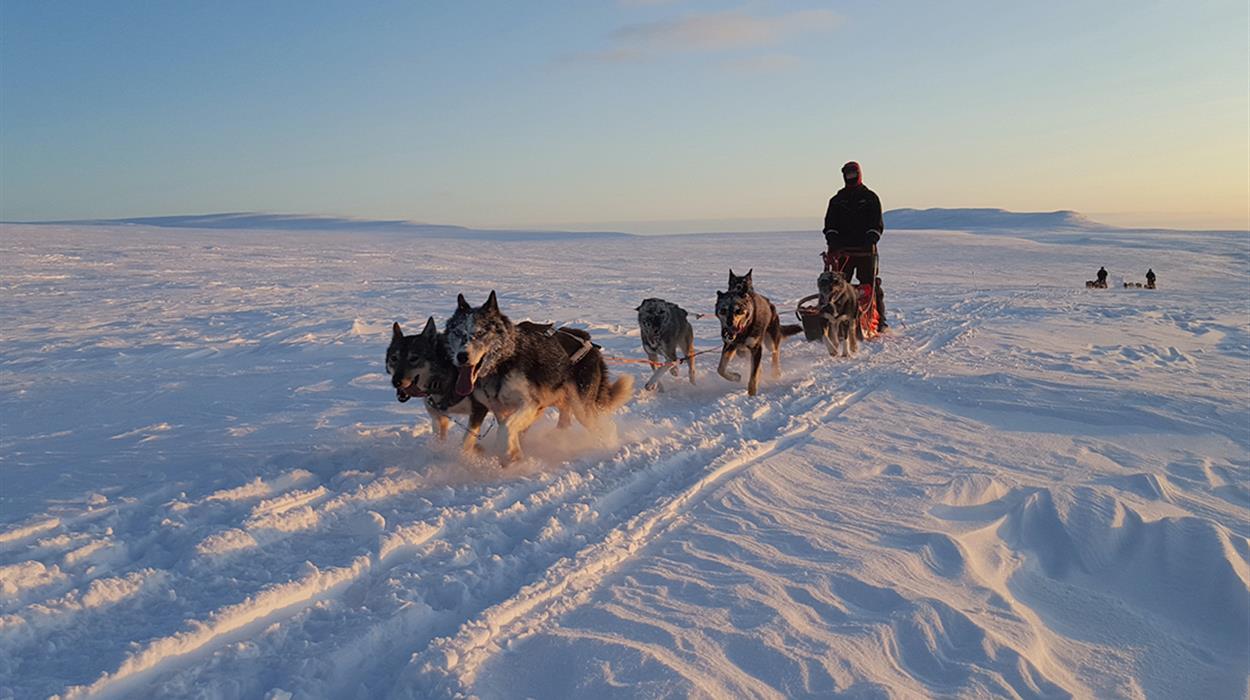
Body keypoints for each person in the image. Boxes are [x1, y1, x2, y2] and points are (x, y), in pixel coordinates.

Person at [823, 161, 887, 329]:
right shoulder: (837, 200)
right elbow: (830, 224)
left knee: (871, 285)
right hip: (842, 252)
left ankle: (880, 321)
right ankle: (834, 320)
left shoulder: (870, 198)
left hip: (865, 251)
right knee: (836, 287)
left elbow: (877, 223)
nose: (850, 177)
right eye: (847, 175)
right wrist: (832, 239)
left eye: (853, 174)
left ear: (858, 174)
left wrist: (872, 236)